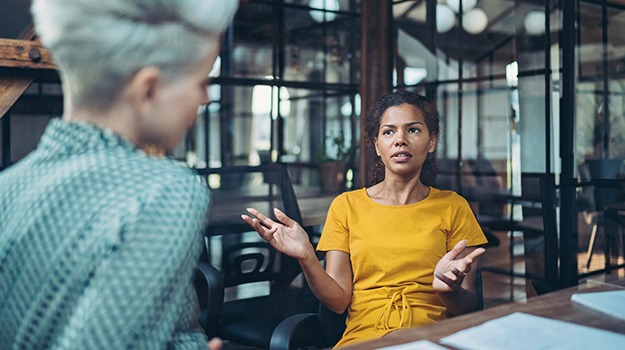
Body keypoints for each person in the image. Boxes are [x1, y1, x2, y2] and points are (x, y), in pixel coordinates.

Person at [0, 0, 238, 349]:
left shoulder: (7, 187)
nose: (203, 99)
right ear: (149, 89)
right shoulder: (166, 191)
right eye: (202, 82)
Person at [242, 90, 488, 348]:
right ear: (377, 145)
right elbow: (338, 301)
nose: (400, 140)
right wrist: (307, 257)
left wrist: (449, 290)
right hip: (364, 339)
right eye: (389, 132)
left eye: (413, 130)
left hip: (431, 338)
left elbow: (467, 309)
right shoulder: (346, 206)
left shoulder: (454, 206)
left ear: (431, 141)